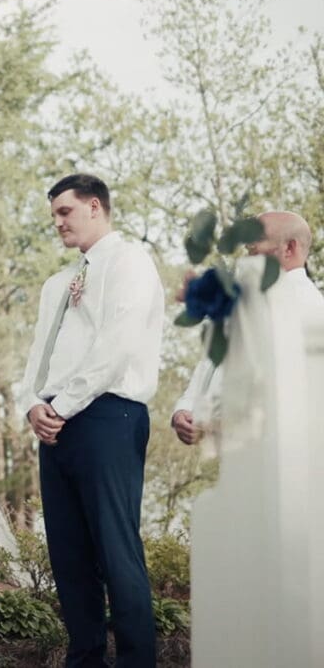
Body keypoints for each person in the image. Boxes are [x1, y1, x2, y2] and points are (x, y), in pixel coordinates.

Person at [17, 174, 163, 667]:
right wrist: (32, 405)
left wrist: (63, 404)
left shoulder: (130, 262)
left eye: (65, 212)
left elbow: (116, 346)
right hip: (55, 424)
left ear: (95, 207)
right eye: (54, 214)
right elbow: (39, 354)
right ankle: (84, 658)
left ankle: (138, 661)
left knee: (116, 550)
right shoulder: (58, 282)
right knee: (69, 554)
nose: (56, 222)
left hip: (108, 416)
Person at [172, 210, 324, 445]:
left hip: (279, 450)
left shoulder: (309, 309)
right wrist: (185, 409)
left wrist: (217, 423)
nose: (247, 248)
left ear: (289, 248)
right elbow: (213, 361)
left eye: (257, 240)